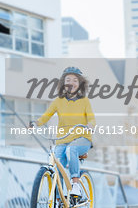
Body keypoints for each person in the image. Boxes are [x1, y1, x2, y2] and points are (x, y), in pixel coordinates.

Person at [31, 67, 95, 198]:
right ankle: (59, 198)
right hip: (63, 139)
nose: (71, 82)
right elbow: (46, 116)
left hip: (82, 138)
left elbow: (91, 117)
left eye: (75, 80)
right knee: (56, 160)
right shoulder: (58, 101)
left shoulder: (84, 101)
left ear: (80, 84)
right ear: (63, 83)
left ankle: (75, 183)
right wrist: (35, 123)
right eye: (68, 79)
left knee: (71, 149)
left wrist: (90, 125)